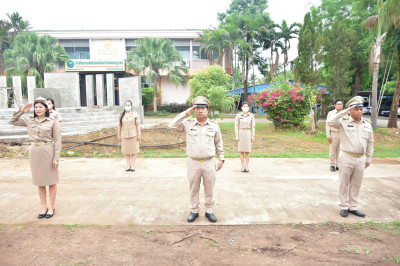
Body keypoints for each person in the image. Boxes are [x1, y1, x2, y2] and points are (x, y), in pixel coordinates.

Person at [169, 96, 224, 223]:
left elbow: (218, 142)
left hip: (209, 162)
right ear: (194, 110)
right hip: (193, 162)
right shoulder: (188, 124)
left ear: (207, 110)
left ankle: (209, 211)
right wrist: (185, 113)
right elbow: (172, 125)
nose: (200, 110)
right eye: (197, 108)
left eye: (203, 108)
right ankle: (194, 210)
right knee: (193, 188)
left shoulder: (214, 125)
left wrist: (221, 158)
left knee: (209, 187)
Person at [9, 96, 61, 219]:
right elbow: (12, 121)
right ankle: (43, 207)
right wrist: (22, 111)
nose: (38, 109)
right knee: (39, 182)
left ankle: (51, 207)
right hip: (35, 152)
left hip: (48, 151)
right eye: (36, 107)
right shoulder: (29, 120)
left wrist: (56, 158)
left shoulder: (52, 121)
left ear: (46, 108)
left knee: (51, 181)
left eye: (40, 107)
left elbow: (58, 141)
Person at [326, 96, 374, 218]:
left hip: (360, 158)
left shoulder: (367, 124)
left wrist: (368, 158)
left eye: (361, 109)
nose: (359, 112)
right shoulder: (343, 121)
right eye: (356, 109)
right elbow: (330, 122)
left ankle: (353, 206)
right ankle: (343, 206)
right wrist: (343, 112)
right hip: (346, 157)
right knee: (344, 182)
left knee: (356, 183)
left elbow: (370, 142)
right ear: (351, 110)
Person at [118, 100, 141, 172]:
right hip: (124, 136)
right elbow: (119, 126)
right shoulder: (121, 115)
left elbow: (138, 125)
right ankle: (128, 166)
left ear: (131, 106)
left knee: (134, 151)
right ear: (124, 106)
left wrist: (139, 134)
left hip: (133, 135)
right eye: (126, 105)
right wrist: (118, 135)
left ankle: (133, 166)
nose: (127, 106)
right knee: (126, 152)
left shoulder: (135, 114)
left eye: (129, 105)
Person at [235, 101, 255, 172]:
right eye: (244, 106)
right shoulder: (238, 115)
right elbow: (236, 126)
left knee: (247, 151)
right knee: (241, 151)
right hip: (241, 133)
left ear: (248, 107)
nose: (245, 108)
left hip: (248, 133)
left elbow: (253, 126)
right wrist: (237, 136)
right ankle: (242, 166)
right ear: (241, 107)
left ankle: (247, 166)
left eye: (246, 106)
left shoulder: (251, 115)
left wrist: (252, 136)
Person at [326, 98, 344, 172]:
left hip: (342, 134)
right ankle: (332, 165)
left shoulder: (345, 113)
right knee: (332, 151)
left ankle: (338, 165)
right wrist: (328, 135)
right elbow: (327, 124)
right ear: (335, 105)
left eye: (341, 104)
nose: (340, 106)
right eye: (338, 104)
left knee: (341, 151)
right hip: (333, 134)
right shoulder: (331, 113)